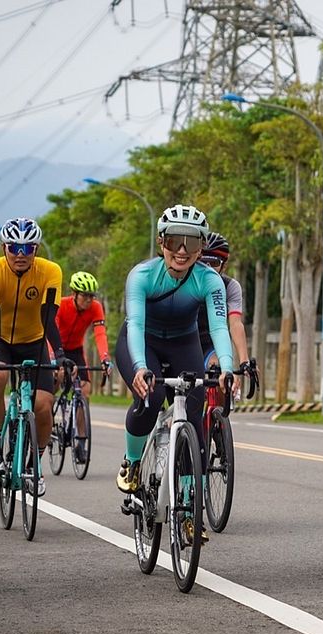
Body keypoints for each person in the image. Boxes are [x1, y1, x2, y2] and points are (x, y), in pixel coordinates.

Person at [113, 204, 233, 541]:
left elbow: (219, 327)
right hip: (143, 341)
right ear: (161, 242)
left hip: (183, 343)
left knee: (194, 418)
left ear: (201, 247)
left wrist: (227, 367)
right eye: (174, 241)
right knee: (150, 400)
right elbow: (136, 324)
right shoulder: (142, 276)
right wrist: (140, 368)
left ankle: (189, 509)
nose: (182, 250)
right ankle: (133, 461)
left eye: (191, 242)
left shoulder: (209, 280)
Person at [0, 218, 65, 497]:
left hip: (34, 341)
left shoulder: (50, 271)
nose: (21, 254)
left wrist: (60, 354)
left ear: (36, 250)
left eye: (28, 248)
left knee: (44, 404)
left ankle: (33, 466)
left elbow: (48, 317)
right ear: (4, 247)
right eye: (14, 247)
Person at [54, 271, 112, 462]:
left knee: (84, 391)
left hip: (76, 351)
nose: (89, 300)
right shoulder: (61, 305)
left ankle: (80, 442)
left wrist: (105, 358)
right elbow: (51, 332)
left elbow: (100, 334)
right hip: (57, 348)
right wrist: (55, 359)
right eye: (85, 295)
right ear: (74, 293)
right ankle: (47, 417)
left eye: (91, 296)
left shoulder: (96, 307)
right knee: (56, 380)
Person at [197, 232, 253, 391]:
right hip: (182, 341)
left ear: (224, 266)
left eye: (214, 263)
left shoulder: (230, 287)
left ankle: (219, 404)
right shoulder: (184, 282)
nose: (207, 268)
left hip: (210, 344)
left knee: (219, 370)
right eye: (202, 262)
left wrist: (244, 361)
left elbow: (235, 324)